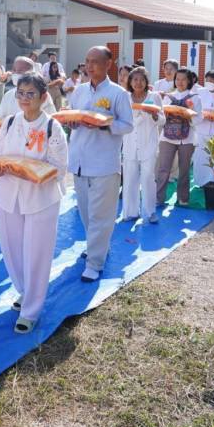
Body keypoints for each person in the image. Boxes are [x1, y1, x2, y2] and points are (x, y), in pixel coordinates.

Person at [0, 73, 69, 333]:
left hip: (41, 198)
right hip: (9, 196)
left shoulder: (51, 127)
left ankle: (31, 310)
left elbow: (59, 167)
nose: (24, 98)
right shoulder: (10, 122)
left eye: (30, 94)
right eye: (20, 93)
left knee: (36, 253)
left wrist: (34, 173)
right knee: (12, 250)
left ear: (43, 97)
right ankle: (25, 291)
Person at [59, 46, 133, 282]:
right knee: (86, 212)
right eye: (87, 61)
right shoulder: (79, 91)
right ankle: (97, 246)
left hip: (104, 163)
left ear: (108, 64)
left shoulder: (118, 93)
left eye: (95, 62)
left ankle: (94, 263)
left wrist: (105, 125)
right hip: (79, 160)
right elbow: (73, 114)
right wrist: (70, 122)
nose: (89, 66)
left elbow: (128, 125)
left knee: (101, 214)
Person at [122, 67, 164, 223]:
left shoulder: (154, 97)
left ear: (146, 81)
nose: (138, 83)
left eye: (142, 79)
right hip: (129, 143)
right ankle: (131, 212)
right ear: (130, 82)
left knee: (147, 178)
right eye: (135, 79)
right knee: (130, 178)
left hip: (149, 144)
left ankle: (150, 211)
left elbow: (162, 120)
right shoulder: (125, 97)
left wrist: (154, 116)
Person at [155, 68, 199, 207]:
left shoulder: (195, 98)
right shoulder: (169, 97)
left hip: (187, 138)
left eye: (183, 79)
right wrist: (165, 115)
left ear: (189, 81)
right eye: (177, 79)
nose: (180, 82)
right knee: (163, 168)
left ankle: (183, 198)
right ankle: (159, 198)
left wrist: (188, 116)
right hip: (167, 137)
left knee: (184, 169)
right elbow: (161, 117)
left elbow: (199, 119)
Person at [0, 56, 56, 123]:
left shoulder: (42, 95)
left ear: (31, 72)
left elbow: (51, 120)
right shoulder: (8, 95)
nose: (16, 73)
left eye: (20, 70)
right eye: (14, 70)